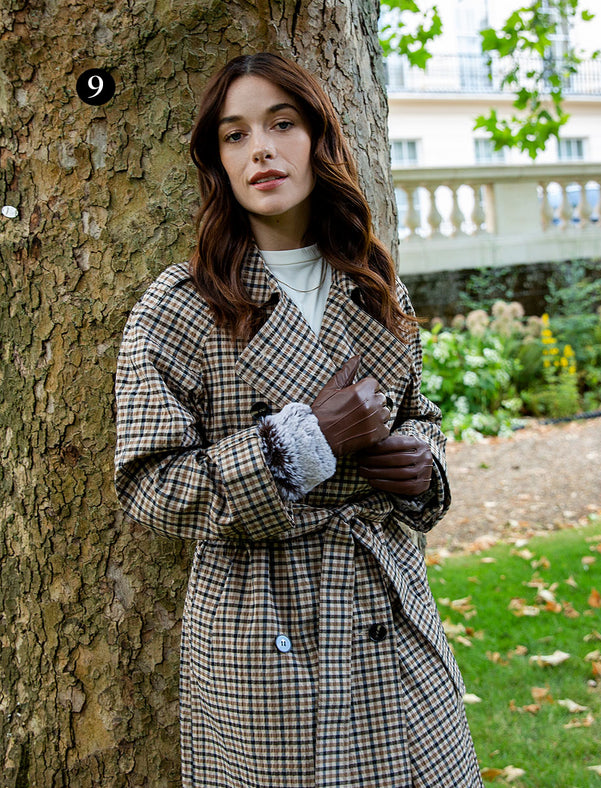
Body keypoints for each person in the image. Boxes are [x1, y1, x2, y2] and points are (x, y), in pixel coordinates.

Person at [114, 52, 482, 788]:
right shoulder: (180, 304)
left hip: (389, 607)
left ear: (317, 138)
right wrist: (305, 442)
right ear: (217, 161)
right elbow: (149, 483)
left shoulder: (372, 279)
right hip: (264, 624)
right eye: (234, 134)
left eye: (281, 124)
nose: (261, 150)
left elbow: (419, 412)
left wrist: (420, 462)